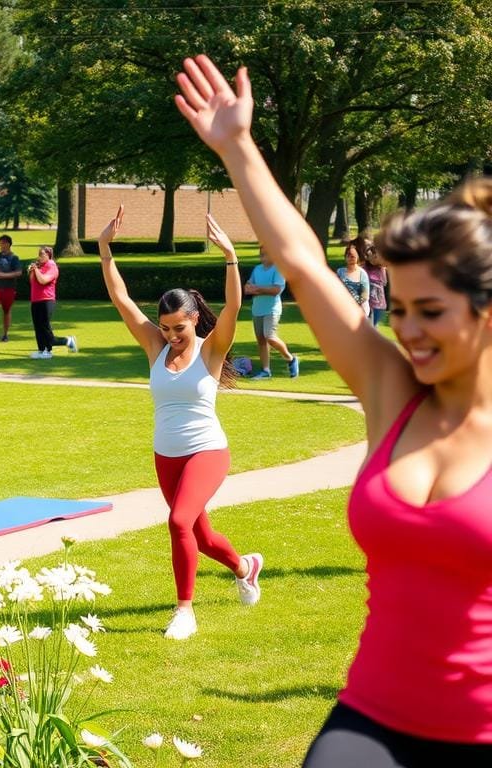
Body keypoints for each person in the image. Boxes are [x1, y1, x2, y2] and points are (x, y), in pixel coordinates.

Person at [177, 53, 492, 764]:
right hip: (369, 723)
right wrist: (238, 146)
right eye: (399, 308)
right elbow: (303, 262)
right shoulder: (391, 393)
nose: (406, 330)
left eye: (431, 311)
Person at [97, 204, 263, 641]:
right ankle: (246, 567)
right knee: (200, 535)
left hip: (207, 450)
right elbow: (121, 299)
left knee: (178, 522)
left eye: (179, 328)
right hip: (165, 454)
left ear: (194, 318)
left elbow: (234, 304)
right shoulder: (155, 347)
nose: (171, 335)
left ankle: (184, 611)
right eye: (166, 328)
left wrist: (229, 255)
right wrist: (103, 249)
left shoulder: (212, 350)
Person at [244, 246, 299, 379]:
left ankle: (290, 359)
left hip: (272, 309)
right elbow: (247, 287)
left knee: (270, 336)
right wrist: (255, 289)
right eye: (261, 255)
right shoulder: (257, 269)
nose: (263, 257)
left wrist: (257, 289)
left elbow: (276, 290)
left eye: (266, 254)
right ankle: (265, 370)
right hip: (257, 309)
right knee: (261, 340)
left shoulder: (278, 269)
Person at [25, 246, 78, 359]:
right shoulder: (40, 266)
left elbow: (43, 280)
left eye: (42, 254)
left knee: (44, 326)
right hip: (35, 300)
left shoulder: (51, 266)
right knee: (37, 326)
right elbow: (32, 282)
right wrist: (32, 271)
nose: (39, 257)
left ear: (48, 255)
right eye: (39, 254)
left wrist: (36, 270)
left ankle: (54, 347)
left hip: (46, 300)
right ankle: (41, 350)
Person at [337, 240, 371, 312]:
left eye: (353, 256)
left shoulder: (362, 274)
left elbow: (365, 295)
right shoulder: (340, 272)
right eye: (348, 255)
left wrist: (354, 306)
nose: (350, 258)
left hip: (359, 309)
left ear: (358, 257)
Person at [361, 239, 389, 326]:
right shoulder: (363, 268)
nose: (375, 258)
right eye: (374, 255)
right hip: (367, 303)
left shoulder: (382, 269)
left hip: (379, 304)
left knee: (374, 325)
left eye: (377, 256)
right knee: (369, 326)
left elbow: (384, 283)